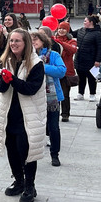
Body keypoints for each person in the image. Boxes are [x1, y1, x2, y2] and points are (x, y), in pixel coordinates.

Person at [0, 29, 46, 202]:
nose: (13, 44)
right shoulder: (4, 61)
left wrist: (12, 80)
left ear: (25, 43)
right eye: (11, 40)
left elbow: (30, 89)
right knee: (12, 150)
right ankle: (19, 181)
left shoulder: (36, 64)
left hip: (27, 116)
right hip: (8, 114)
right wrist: (4, 82)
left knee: (27, 152)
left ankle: (30, 186)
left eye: (17, 41)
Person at [32, 30, 66, 167]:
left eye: (36, 39)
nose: (33, 42)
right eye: (31, 40)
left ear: (43, 41)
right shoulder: (27, 56)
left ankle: (54, 154)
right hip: (33, 96)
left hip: (51, 97)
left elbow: (61, 71)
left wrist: (42, 67)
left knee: (53, 127)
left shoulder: (53, 55)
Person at [74, 15, 101, 101]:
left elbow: (100, 48)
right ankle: (80, 93)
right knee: (81, 78)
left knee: (91, 78)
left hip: (91, 60)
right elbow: (71, 34)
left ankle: (92, 94)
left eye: (85, 21)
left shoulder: (98, 34)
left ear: (91, 22)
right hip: (79, 59)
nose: (84, 23)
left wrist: (98, 60)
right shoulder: (81, 30)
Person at [54, 22, 77, 123]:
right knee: (53, 94)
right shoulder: (53, 40)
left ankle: (65, 114)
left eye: (64, 29)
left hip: (66, 71)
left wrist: (60, 42)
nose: (61, 30)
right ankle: (54, 112)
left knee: (65, 94)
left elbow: (72, 50)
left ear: (67, 31)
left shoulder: (72, 41)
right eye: (59, 28)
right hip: (54, 70)